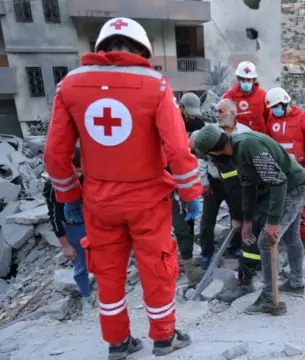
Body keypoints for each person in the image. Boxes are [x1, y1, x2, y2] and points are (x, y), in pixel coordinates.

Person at [43, 17, 202, 358]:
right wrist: (191, 195)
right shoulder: (155, 85)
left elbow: (55, 154)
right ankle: (164, 337)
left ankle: (118, 343)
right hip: (148, 201)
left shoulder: (69, 85)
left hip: (99, 201)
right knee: (156, 268)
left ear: (101, 48)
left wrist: (68, 196)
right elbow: (177, 148)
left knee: (109, 273)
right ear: (142, 49)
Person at [193, 126, 305, 315]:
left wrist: (273, 222)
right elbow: (247, 186)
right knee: (291, 236)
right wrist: (246, 220)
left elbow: (278, 181)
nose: (210, 160)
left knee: (266, 240)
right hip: (291, 187)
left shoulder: (248, 146)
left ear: (214, 151)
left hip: (293, 188)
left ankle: (270, 298)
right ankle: (296, 284)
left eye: (208, 156)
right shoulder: (236, 152)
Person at [189, 99, 264, 303]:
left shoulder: (244, 132)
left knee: (238, 215)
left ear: (233, 112)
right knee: (208, 219)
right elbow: (202, 159)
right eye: (216, 111)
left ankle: (236, 248)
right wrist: (204, 182)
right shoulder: (209, 132)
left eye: (221, 111)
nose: (218, 114)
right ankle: (206, 253)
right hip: (215, 182)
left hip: (238, 182)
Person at [265, 87, 305, 253]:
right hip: (279, 170)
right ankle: (281, 238)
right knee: (279, 203)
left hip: (299, 170)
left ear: (284, 103)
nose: (274, 110)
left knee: (302, 204)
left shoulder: (303, 120)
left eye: (276, 107)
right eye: (272, 108)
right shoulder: (271, 120)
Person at [44, 148, 93, 314]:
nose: (78, 176)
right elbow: (55, 217)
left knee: (105, 259)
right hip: (73, 228)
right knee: (79, 264)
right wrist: (65, 245)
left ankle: (111, 293)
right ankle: (86, 296)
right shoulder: (54, 186)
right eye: (75, 171)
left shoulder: (92, 178)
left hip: (95, 223)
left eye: (81, 171)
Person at [174, 92, 207, 287]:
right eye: (189, 113)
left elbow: (199, 154)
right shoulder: (169, 121)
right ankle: (182, 263)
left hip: (187, 179)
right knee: (178, 224)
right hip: (166, 180)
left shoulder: (197, 125)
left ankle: (186, 260)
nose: (192, 117)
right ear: (182, 107)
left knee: (187, 222)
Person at [222, 61, 269, 133]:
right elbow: (224, 120)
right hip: (239, 137)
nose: (246, 82)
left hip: (260, 137)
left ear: (254, 80)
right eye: (243, 80)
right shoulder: (229, 96)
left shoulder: (263, 95)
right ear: (238, 79)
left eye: (249, 80)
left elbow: (269, 117)